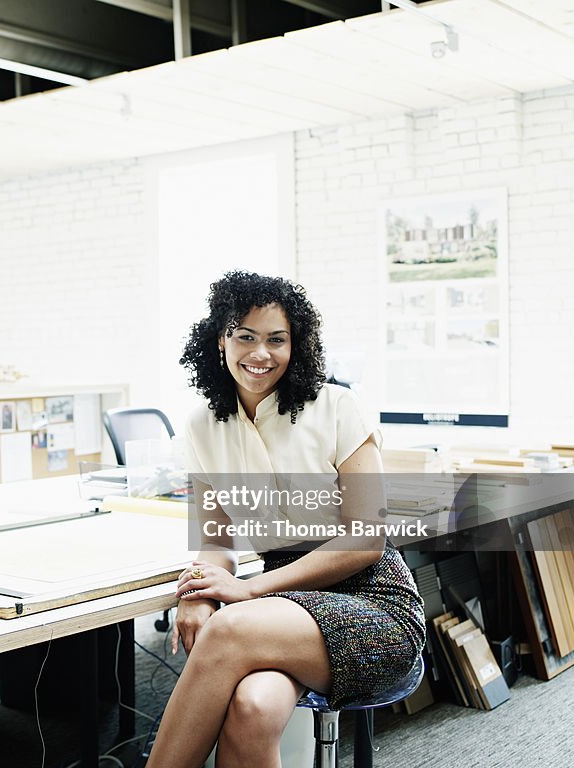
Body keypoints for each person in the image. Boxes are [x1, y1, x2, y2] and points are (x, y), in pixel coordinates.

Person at [145, 271, 425, 768]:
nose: (260, 353)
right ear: (221, 340)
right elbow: (217, 540)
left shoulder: (337, 406)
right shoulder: (201, 425)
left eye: (277, 339)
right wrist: (198, 590)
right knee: (252, 707)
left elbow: (365, 540)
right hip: (284, 606)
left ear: (297, 345)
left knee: (227, 631)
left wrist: (249, 592)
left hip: (373, 602)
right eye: (245, 336)